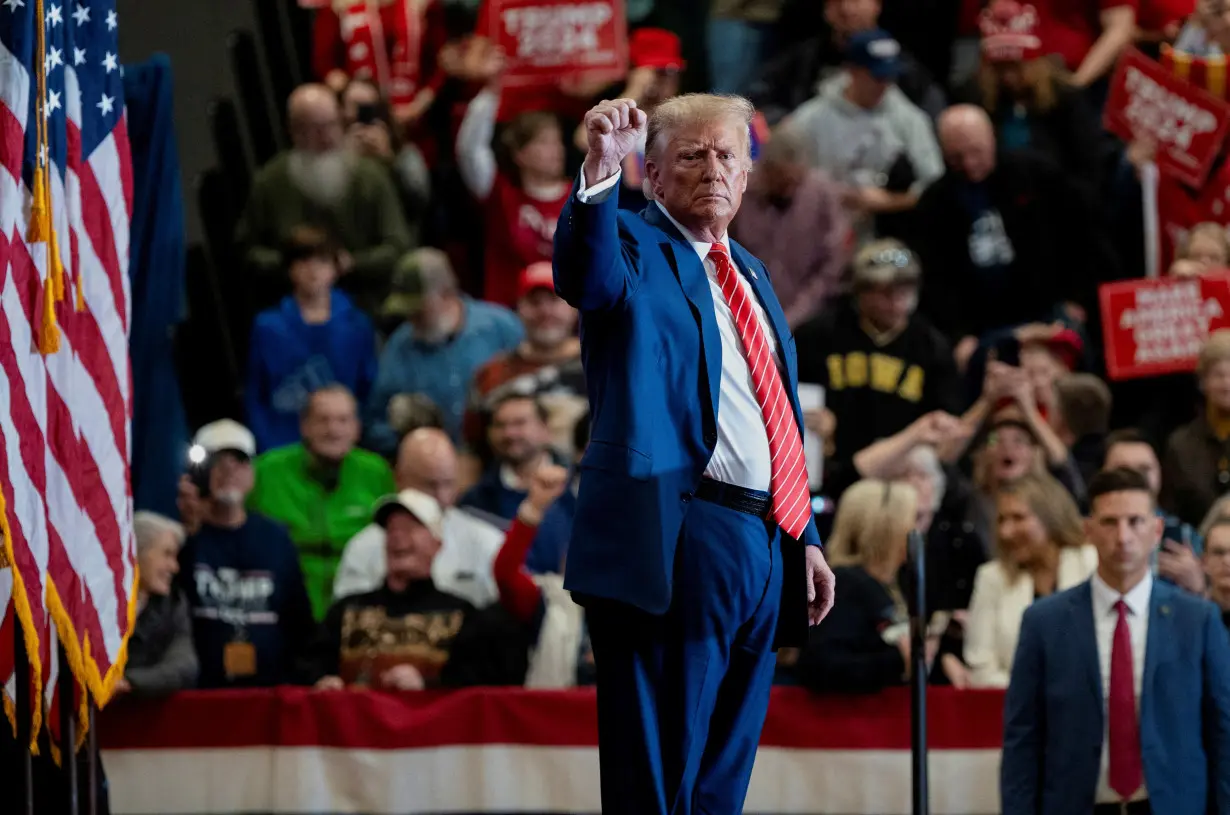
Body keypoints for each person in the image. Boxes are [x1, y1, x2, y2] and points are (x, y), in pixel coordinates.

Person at [554, 93, 836, 813]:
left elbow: (770, 411)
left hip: (764, 541)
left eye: (726, 155)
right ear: (649, 169)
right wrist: (597, 171)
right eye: (691, 154)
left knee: (720, 780)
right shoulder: (631, 244)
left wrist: (802, 533)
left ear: (747, 174)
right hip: (678, 532)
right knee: (659, 775)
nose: (713, 168)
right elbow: (584, 276)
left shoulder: (751, 273)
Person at [1001, 467, 1230, 815]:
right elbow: (1022, 740)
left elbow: (1223, 733)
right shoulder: (1044, 623)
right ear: (1088, 530)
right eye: (1109, 523)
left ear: (1155, 530)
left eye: (1135, 521)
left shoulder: (1197, 620)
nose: (1123, 537)